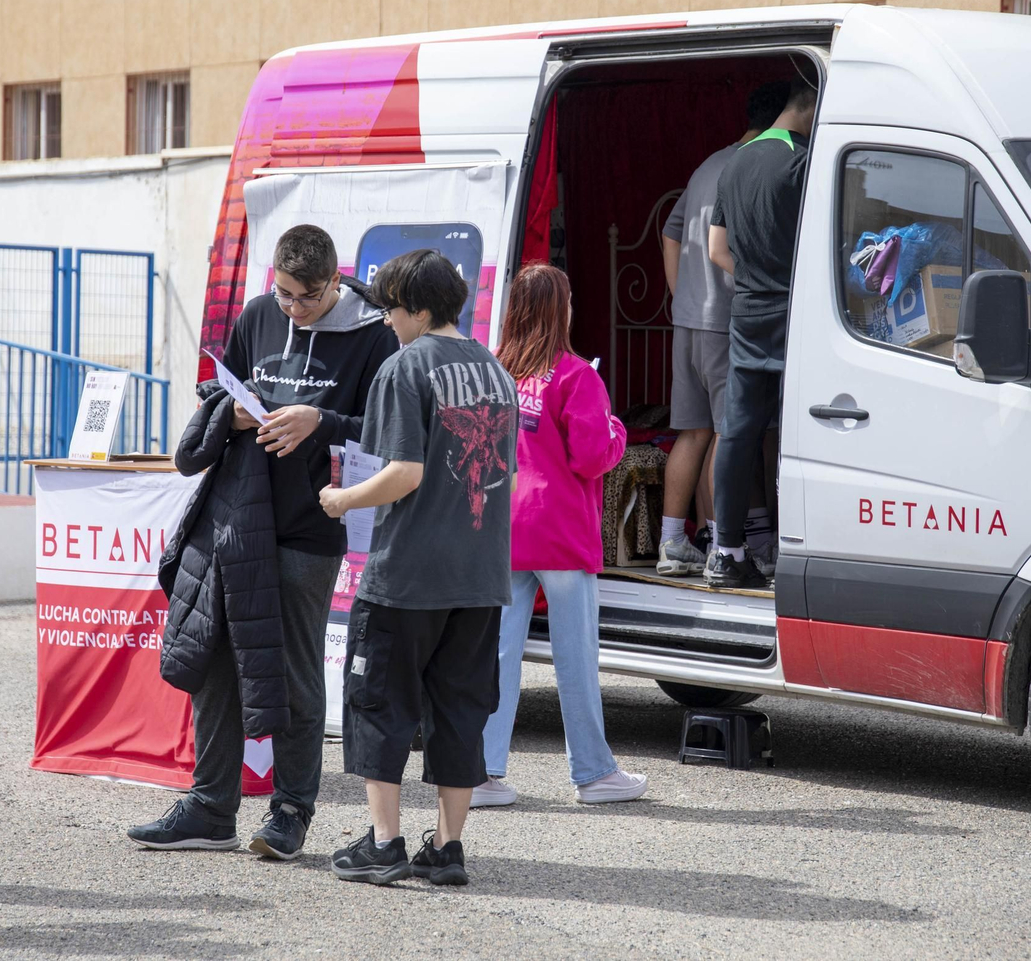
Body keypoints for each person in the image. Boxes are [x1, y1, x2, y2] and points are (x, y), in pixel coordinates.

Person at [128, 224, 397, 861]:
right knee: (215, 658)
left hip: (311, 527)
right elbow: (222, 388)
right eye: (282, 296)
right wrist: (234, 411)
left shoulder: (374, 336)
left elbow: (389, 428)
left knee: (296, 671)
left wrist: (318, 420)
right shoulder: (256, 316)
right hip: (237, 519)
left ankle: (291, 812)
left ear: (334, 282)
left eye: (304, 299)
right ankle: (210, 807)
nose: (291, 310)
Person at [318, 249, 518, 887]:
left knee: (380, 703)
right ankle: (447, 848)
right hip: (481, 573)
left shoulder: (406, 368)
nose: (388, 322)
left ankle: (385, 841)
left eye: (392, 310)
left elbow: (404, 473)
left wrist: (343, 498)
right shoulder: (495, 370)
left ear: (421, 310)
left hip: (407, 575)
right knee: (460, 708)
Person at [471, 263, 644, 809]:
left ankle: (480, 773)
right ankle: (593, 774)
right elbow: (593, 456)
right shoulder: (576, 375)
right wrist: (616, 428)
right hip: (560, 526)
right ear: (559, 310)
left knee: (497, 656)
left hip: (503, 524)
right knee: (575, 656)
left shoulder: (493, 368)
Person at [657, 82, 791, 578]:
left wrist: (680, 292)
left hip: (689, 319)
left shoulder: (706, 165)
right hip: (721, 321)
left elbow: (670, 232)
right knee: (727, 435)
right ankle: (719, 539)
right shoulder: (752, 166)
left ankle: (672, 541)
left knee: (692, 433)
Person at [704, 77, 818, 589]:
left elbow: (716, 250)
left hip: (747, 311)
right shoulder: (802, 160)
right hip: (796, 312)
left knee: (738, 432)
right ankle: (797, 553)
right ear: (808, 107)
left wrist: (753, 279)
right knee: (803, 431)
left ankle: (725, 551)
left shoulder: (736, 162)